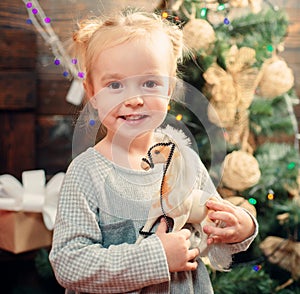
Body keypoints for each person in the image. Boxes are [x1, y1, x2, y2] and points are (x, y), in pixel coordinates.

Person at [49, 8, 258, 294]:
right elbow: (69, 264)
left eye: (149, 83)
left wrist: (241, 228)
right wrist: (156, 257)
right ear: (92, 94)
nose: (134, 99)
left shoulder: (183, 161)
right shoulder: (87, 173)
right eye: (115, 85)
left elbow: (213, 229)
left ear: (169, 88)